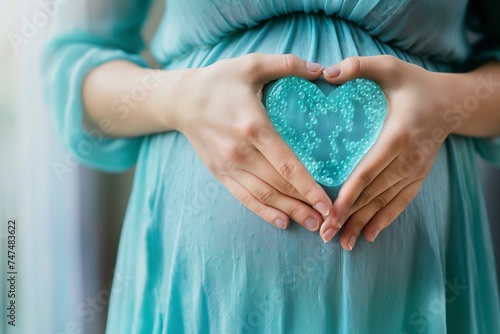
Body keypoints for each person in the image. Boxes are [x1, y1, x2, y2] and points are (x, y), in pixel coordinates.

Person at [43, 0, 500, 332]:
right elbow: (76, 64)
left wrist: (449, 104)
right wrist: (181, 99)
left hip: (414, 280)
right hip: (199, 289)